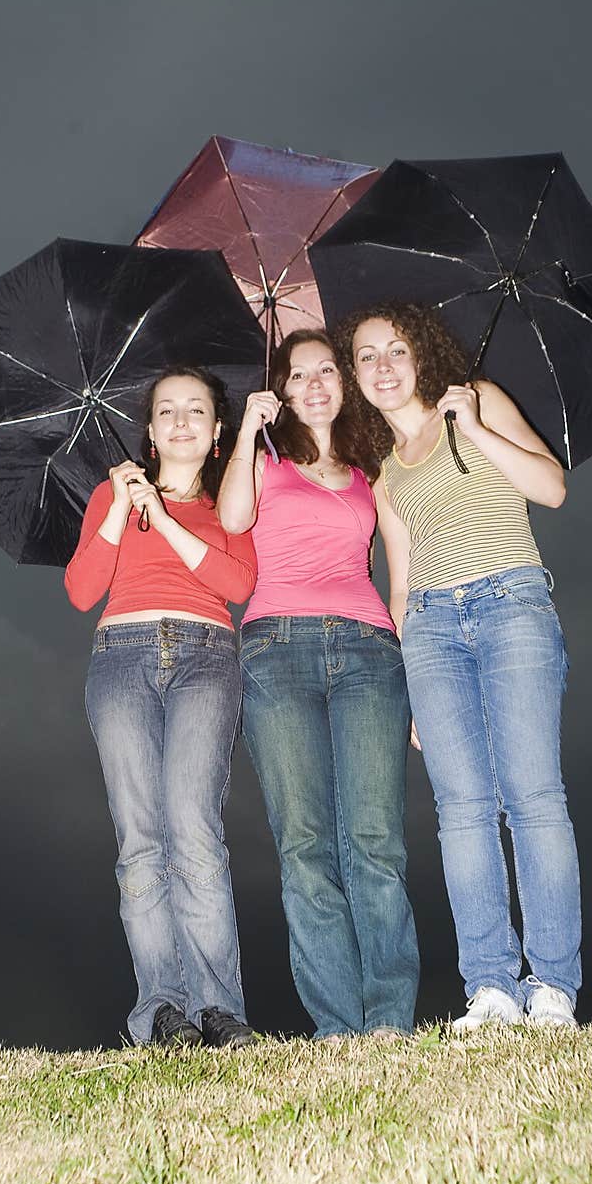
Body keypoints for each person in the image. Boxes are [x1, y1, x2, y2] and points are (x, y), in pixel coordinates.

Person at [336, 302, 583, 1031]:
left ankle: (553, 988)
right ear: (356, 377)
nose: (382, 366)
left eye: (395, 350)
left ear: (422, 356)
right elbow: (402, 582)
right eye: (366, 356)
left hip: (511, 603)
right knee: (462, 812)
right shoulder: (382, 473)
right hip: (433, 630)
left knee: (533, 796)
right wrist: (411, 675)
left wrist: (473, 428)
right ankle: (491, 988)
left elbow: (552, 488)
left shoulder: (478, 402)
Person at [216, 328, 421, 1043]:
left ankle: (390, 1019)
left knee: (374, 840)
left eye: (328, 370)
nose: (315, 383)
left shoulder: (372, 471)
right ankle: (338, 1025)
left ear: (343, 383)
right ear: (283, 390)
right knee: (304, 845)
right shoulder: (265, 463)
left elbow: (397, 570)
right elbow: (233, 518)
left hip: (369, 649)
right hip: (277, 649)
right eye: (298, 374)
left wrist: (411, 660)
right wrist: (247, 427)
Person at [64, 367, 258, 1049]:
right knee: (140, 841)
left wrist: (169, 521)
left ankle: (218, 1007)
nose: (180, 420)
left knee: (194, 829)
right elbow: (82, 590)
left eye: (196, 411)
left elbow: (238, 580)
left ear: (215, 434)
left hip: (207, 653)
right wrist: (121, 506)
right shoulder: (109, 496)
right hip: (121, 656)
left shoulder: (230, 503)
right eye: (166, 410)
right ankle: (162, 1010)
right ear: (148, 431)